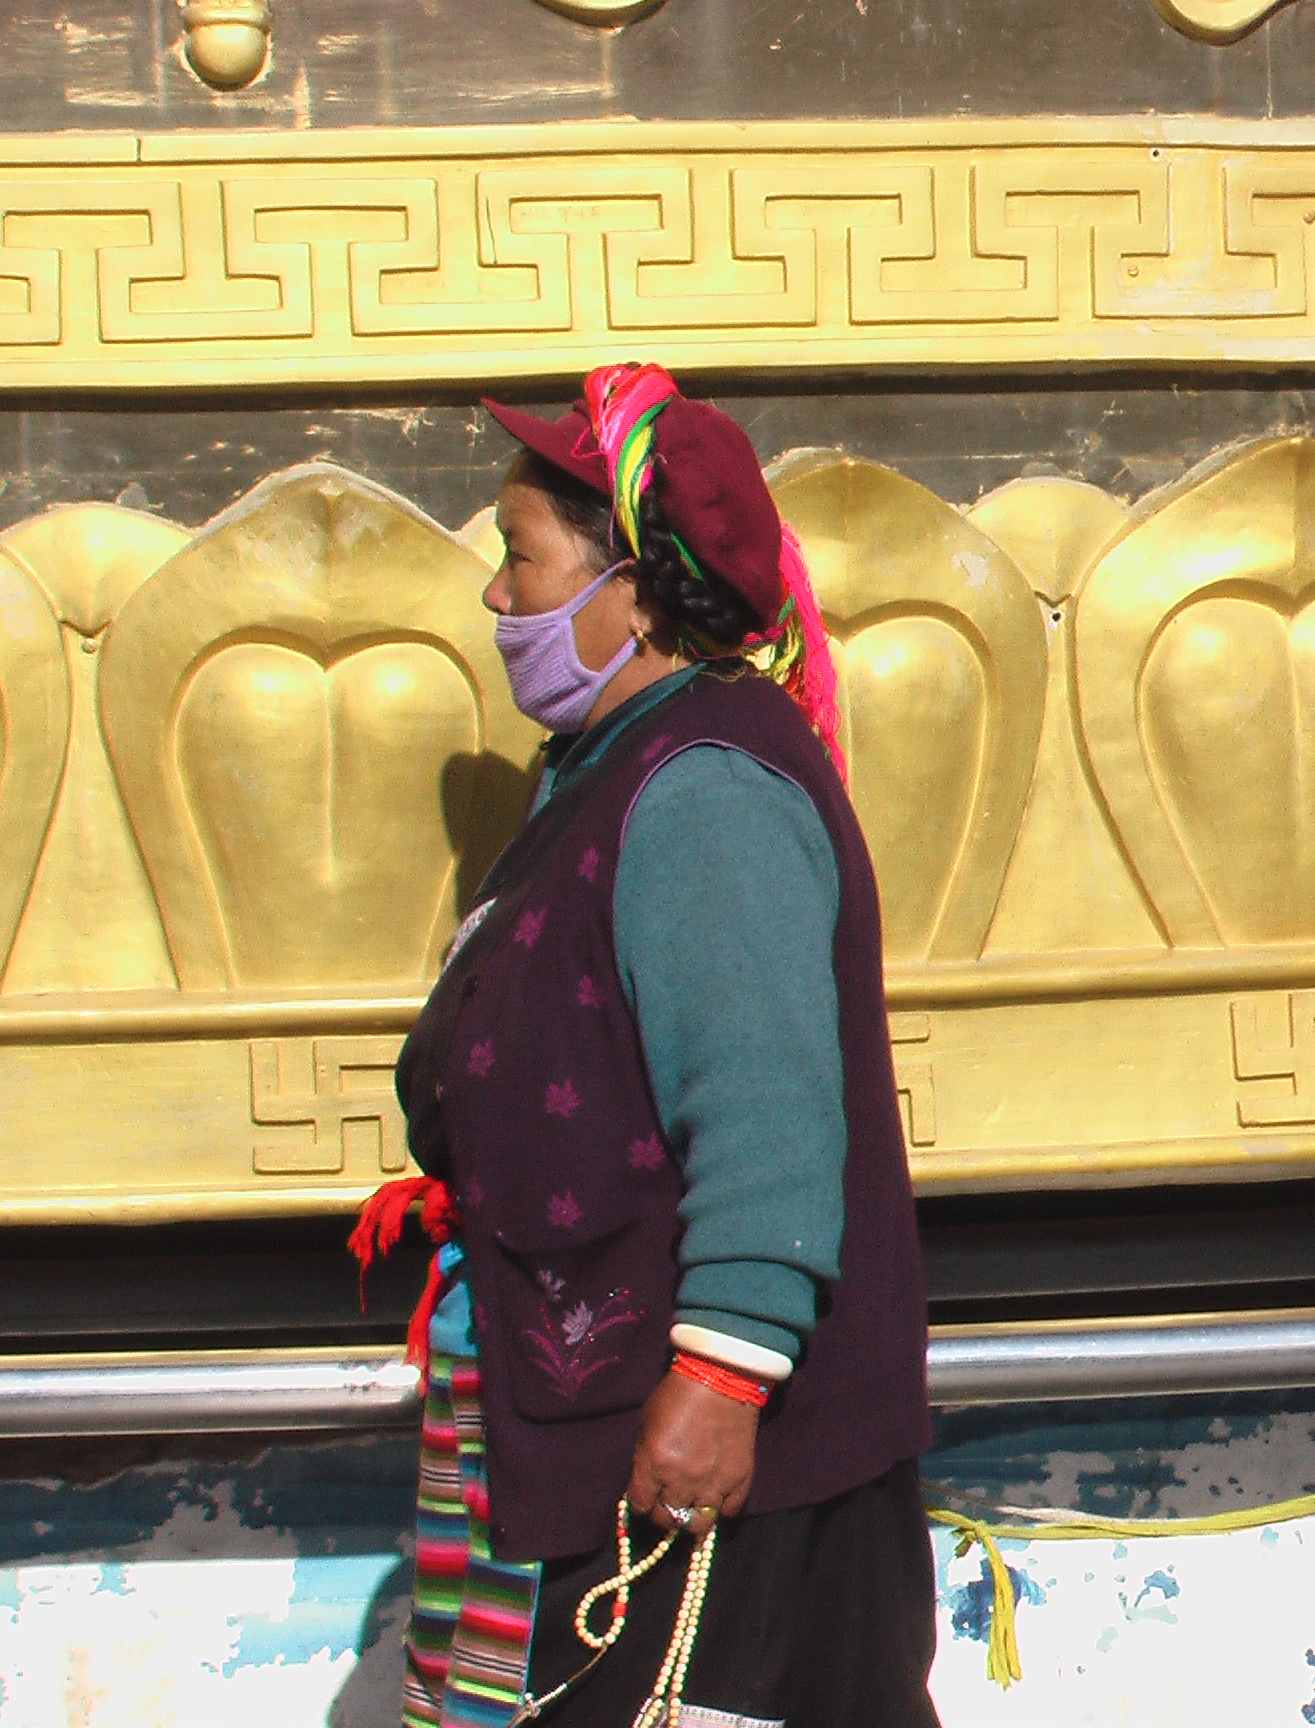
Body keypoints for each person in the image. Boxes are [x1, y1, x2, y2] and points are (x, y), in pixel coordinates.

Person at [351, 363, 940, 1728]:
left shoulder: (708, 790)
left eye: (522, 558)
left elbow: (765, 1112)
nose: (497, 595)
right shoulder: (610, 763)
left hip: (708, 1455)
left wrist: (722, 1373)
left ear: (637, 593)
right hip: (591, 1405)